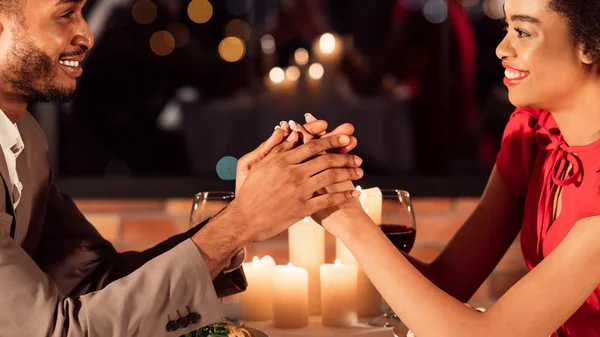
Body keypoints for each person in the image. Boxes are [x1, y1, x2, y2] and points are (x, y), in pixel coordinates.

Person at [0, 0, 364, 336]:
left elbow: (97, 279)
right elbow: (54, 331)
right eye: (66, 14)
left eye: (83, 11)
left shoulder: (26, 137)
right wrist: (241, 222)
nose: (88, 36)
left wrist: (246, 212)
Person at [277, 0, 600, 335]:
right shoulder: (532, 134)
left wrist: (351, 223)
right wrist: (337, 196)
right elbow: (447, 282)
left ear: (589, 44)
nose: (502, 48)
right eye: (506, 29)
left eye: (523, 32)